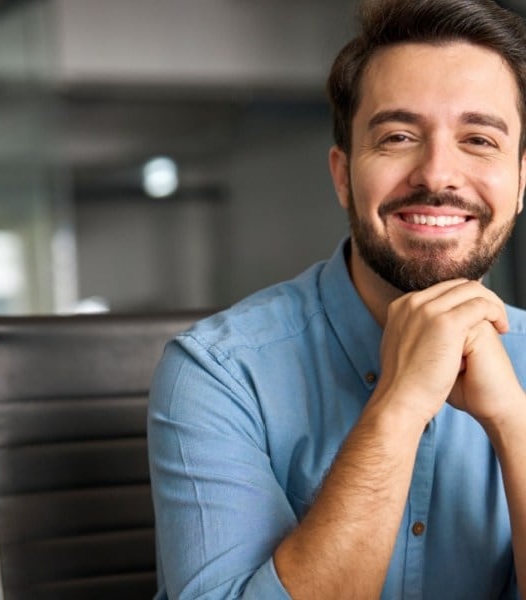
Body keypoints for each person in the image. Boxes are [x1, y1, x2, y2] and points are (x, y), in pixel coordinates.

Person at [148, 0, 526, 597]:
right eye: (399, 136)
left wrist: (514, 425)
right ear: (342, 176)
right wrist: (397, 407)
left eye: (479, 139)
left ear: (522, 181)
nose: (437, 174)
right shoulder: (217, 374)